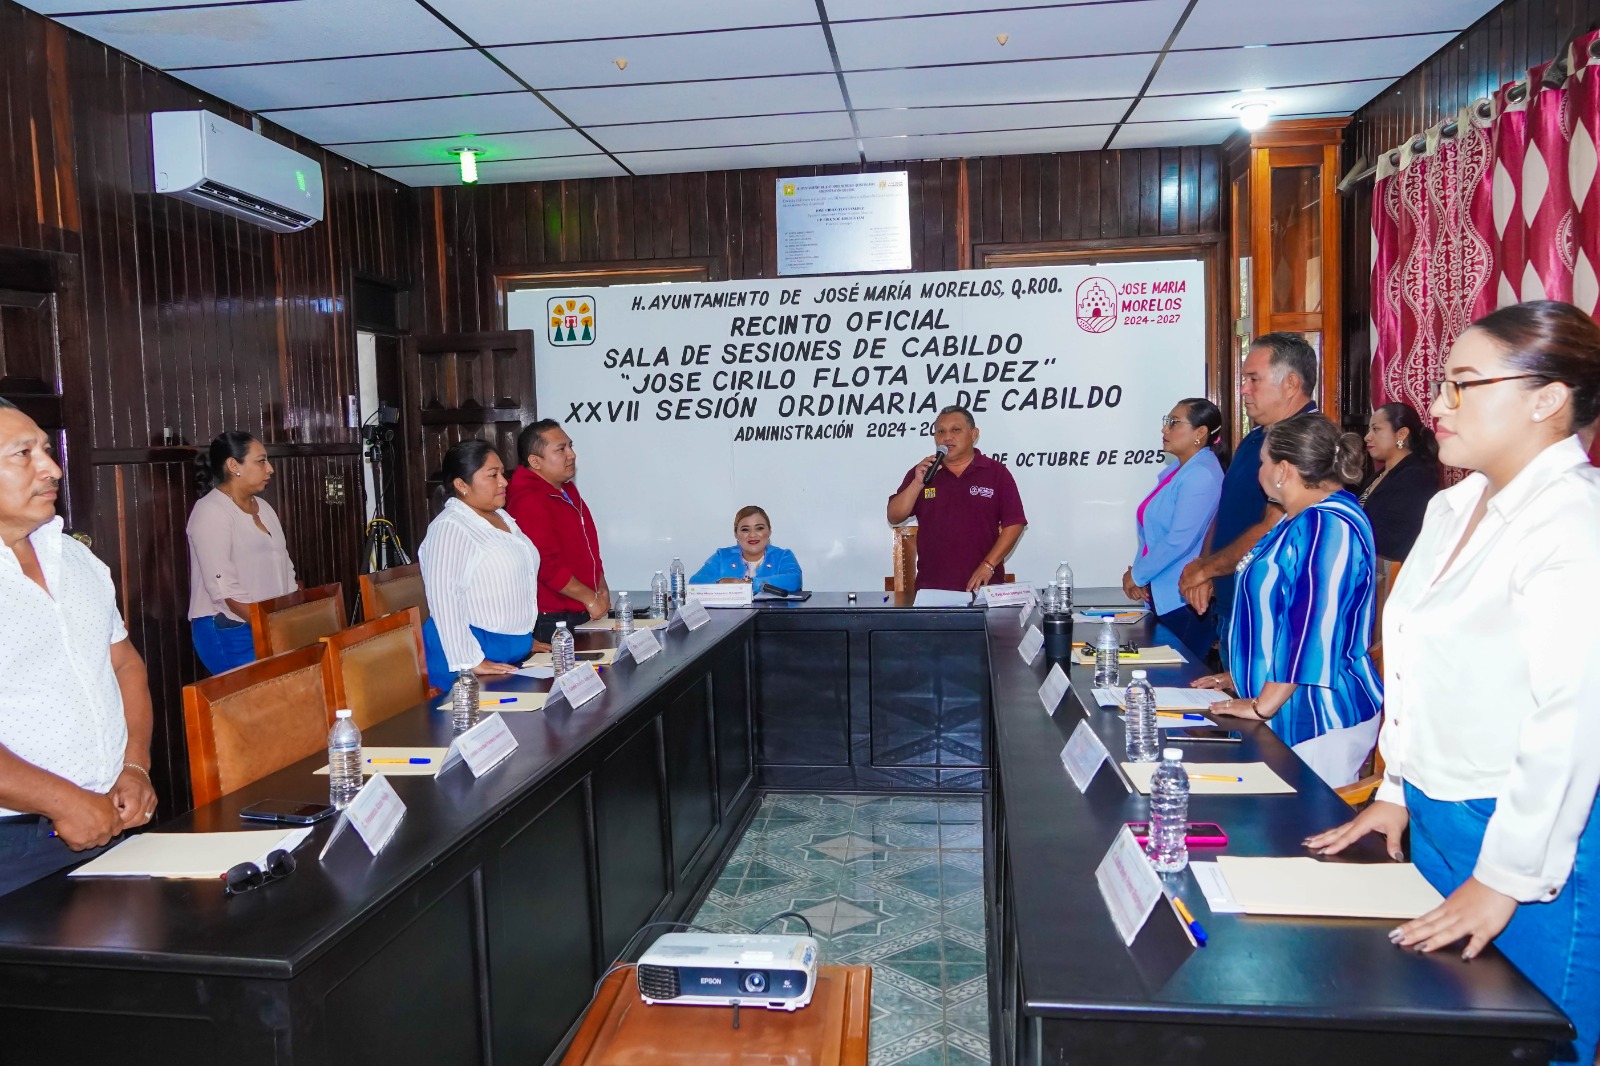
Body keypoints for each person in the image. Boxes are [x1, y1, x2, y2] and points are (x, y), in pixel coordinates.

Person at [1308, 301, 1600, 1066]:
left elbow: (1573, 719)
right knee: (1450, 1035)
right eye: (1442, 384)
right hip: (1436, 818)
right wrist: (1396, 791)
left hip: (1528, 838)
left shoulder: (1573, 522)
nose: (1437, 404)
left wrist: (1504, 879)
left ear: (1546, 399)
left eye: (1462, 385)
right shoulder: (1451, 505)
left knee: (1532, 1042)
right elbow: (1415, 664)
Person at [0, 398, 157, 896]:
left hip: (112, 816)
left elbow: (125, 664)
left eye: (46, 450)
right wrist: (64, 801)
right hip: (14, 845)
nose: (52, 468)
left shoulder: (74, 557)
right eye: (23, 454)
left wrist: (135, 766)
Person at [1191, 413, 1382, 787]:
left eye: (1262, 462)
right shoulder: (1298, 519)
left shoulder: (1327, 525)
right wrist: (1243, 674)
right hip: (1284, 701)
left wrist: (1263, 705)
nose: (1258, 471)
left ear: (1282, 470)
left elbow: (1310, 626)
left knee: (1303, 820)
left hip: (1315, 714)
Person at [1178, 334, 1319, 653]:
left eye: (1254, 379)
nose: (1243, 389)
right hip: (1234, 602)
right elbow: (1226, 510)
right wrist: (1205, 567)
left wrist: (1206, 569)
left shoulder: (1307, 442)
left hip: (1270, 612)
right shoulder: (1257, 437)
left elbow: (1273, 525)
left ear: (1290, 384)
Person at [418, 440, 540, 690]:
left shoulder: (499, 516)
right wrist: (469, 660)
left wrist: (522, 638)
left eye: (502, 473)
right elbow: (444, 598)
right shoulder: (449, 527)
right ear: (462, 485)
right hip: (469, 654)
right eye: (492, 475)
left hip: (505, 649)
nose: (504, 482)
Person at [1122, 398, 1225, 660]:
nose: (1164, 429)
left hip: (1184, 599)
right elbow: (1152, 534)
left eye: (1174, 423)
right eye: (1166, 422)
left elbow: (1179, 541)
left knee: (1178, 677)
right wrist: (1140, 576)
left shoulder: (1201, 475)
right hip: (1164, 594)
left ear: (1200, 433)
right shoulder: (1180, 471)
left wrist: (1139, 576)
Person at [186, 431, 297, 674]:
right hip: (230, 628)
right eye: (261, 461)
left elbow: (284, 566)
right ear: (233, 465)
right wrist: (269, 624)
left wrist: (291, 618)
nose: (270, 469)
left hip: (269, 624)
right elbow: (225, 589)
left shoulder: (264, 507)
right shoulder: (211, 512)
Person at [886, 405, 1027, 593]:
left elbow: (1015, 523)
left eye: (956, 430)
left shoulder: (996, 472)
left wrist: (988, 564)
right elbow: (894, 516)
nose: (947, 437)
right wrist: (917, 483)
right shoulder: (923, 472)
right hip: (933, 590)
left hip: (984, 587)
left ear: (974, 434)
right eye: (940, 432)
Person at [505, 420, 610, 644]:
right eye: (561, 449)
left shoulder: (566, 489)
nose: (572, 455)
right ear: (535, 461)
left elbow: (588, 548)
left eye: (570, 446)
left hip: (582, 608)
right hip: (553, 619)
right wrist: (591, 598)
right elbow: (546, 565)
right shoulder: (527, 499)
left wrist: (601, 587)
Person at [1359, 401, 1441, 562]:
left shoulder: (1415, 477)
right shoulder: (1381, 474)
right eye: (1369, 430)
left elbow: (1396, 539)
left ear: (1401, 434)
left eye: (1376, 429)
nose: (1367, 437)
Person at [690, 506, 803, 590]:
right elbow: (695, 582)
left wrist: (750, 584)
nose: (752, 535)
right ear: (736, 534)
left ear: (769, 531)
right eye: (745, 529)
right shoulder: (722, 556)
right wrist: (720, 582)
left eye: (759, 528)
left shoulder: (783, 556)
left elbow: (794, 581)